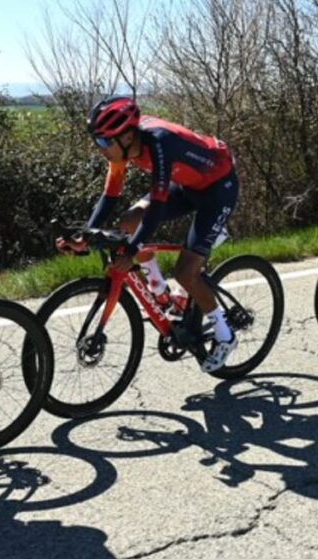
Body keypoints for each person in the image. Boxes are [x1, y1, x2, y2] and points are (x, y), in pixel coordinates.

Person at [60, 96, 240, 372]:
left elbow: (157, 207)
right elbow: (110, 195)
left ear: (128, 136)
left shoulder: (160, 143)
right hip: (187, 184)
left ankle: (225, 334)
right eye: (98, 142)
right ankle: (159, 289)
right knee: (129, 221)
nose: (101, 149)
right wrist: (86, 234)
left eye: (105, 142)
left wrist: (132, 251)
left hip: (218, 189)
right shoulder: (124, 147)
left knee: (185, 272)